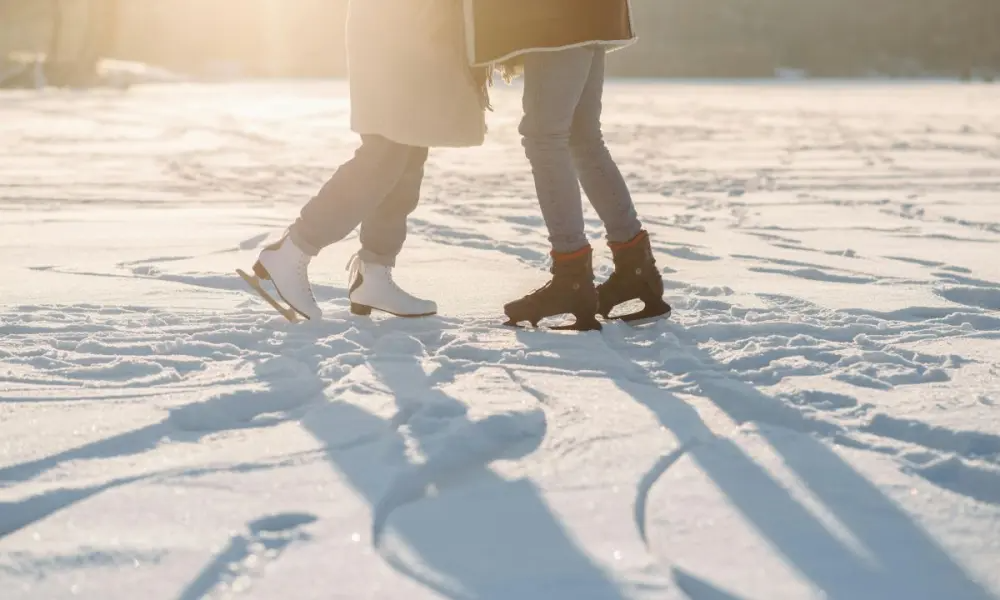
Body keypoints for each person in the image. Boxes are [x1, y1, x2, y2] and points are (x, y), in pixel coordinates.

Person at [241, 0, 488, 321]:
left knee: (409, 150)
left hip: (424, 27)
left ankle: (374, 272)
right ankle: (293, 250)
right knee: (385, 152)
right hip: (397, 24)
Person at [466, 0, 672, 330]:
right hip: (589, 14)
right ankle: (635, 270)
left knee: (545, 137)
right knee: (582, 138)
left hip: (555, 16)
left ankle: (572, 278)